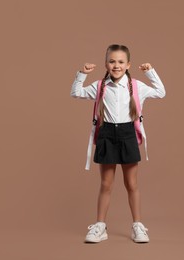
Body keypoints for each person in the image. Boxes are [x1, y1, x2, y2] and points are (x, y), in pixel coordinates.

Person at [70, 44, 166, 243]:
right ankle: (100, 226)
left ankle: (138, 226)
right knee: (106, 184)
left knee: (132, 184)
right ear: (106, 64)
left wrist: (150, 72)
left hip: (127, 134)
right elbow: (76, 92)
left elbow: (160, 92)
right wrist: (81, 73)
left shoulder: (137, 86)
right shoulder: (99, 86)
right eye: (112, 61)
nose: (116, 65)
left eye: (121, 62)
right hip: (106, 134)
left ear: (128, 64)